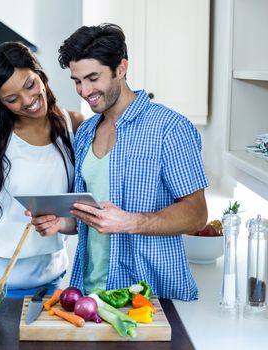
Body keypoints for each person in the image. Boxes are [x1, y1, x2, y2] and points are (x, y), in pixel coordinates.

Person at [31, 23, 208, 301]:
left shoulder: (170, 128)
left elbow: (196, 215)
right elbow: (91, 218)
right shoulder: (86, 132)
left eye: (93, 78)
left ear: (121, 68)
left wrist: (129, 222)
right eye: (77, 81)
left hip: (150, 297)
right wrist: (60, 224)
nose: (84, 90)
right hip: (91, 294)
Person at [0, 42, 84, 298]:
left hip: (49, 282)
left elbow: (85, 212)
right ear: (0, 103)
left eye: (30, 85)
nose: (28, 101)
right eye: (12, 99)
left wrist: (61, 223)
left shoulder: (76, 126)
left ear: (39, 73)